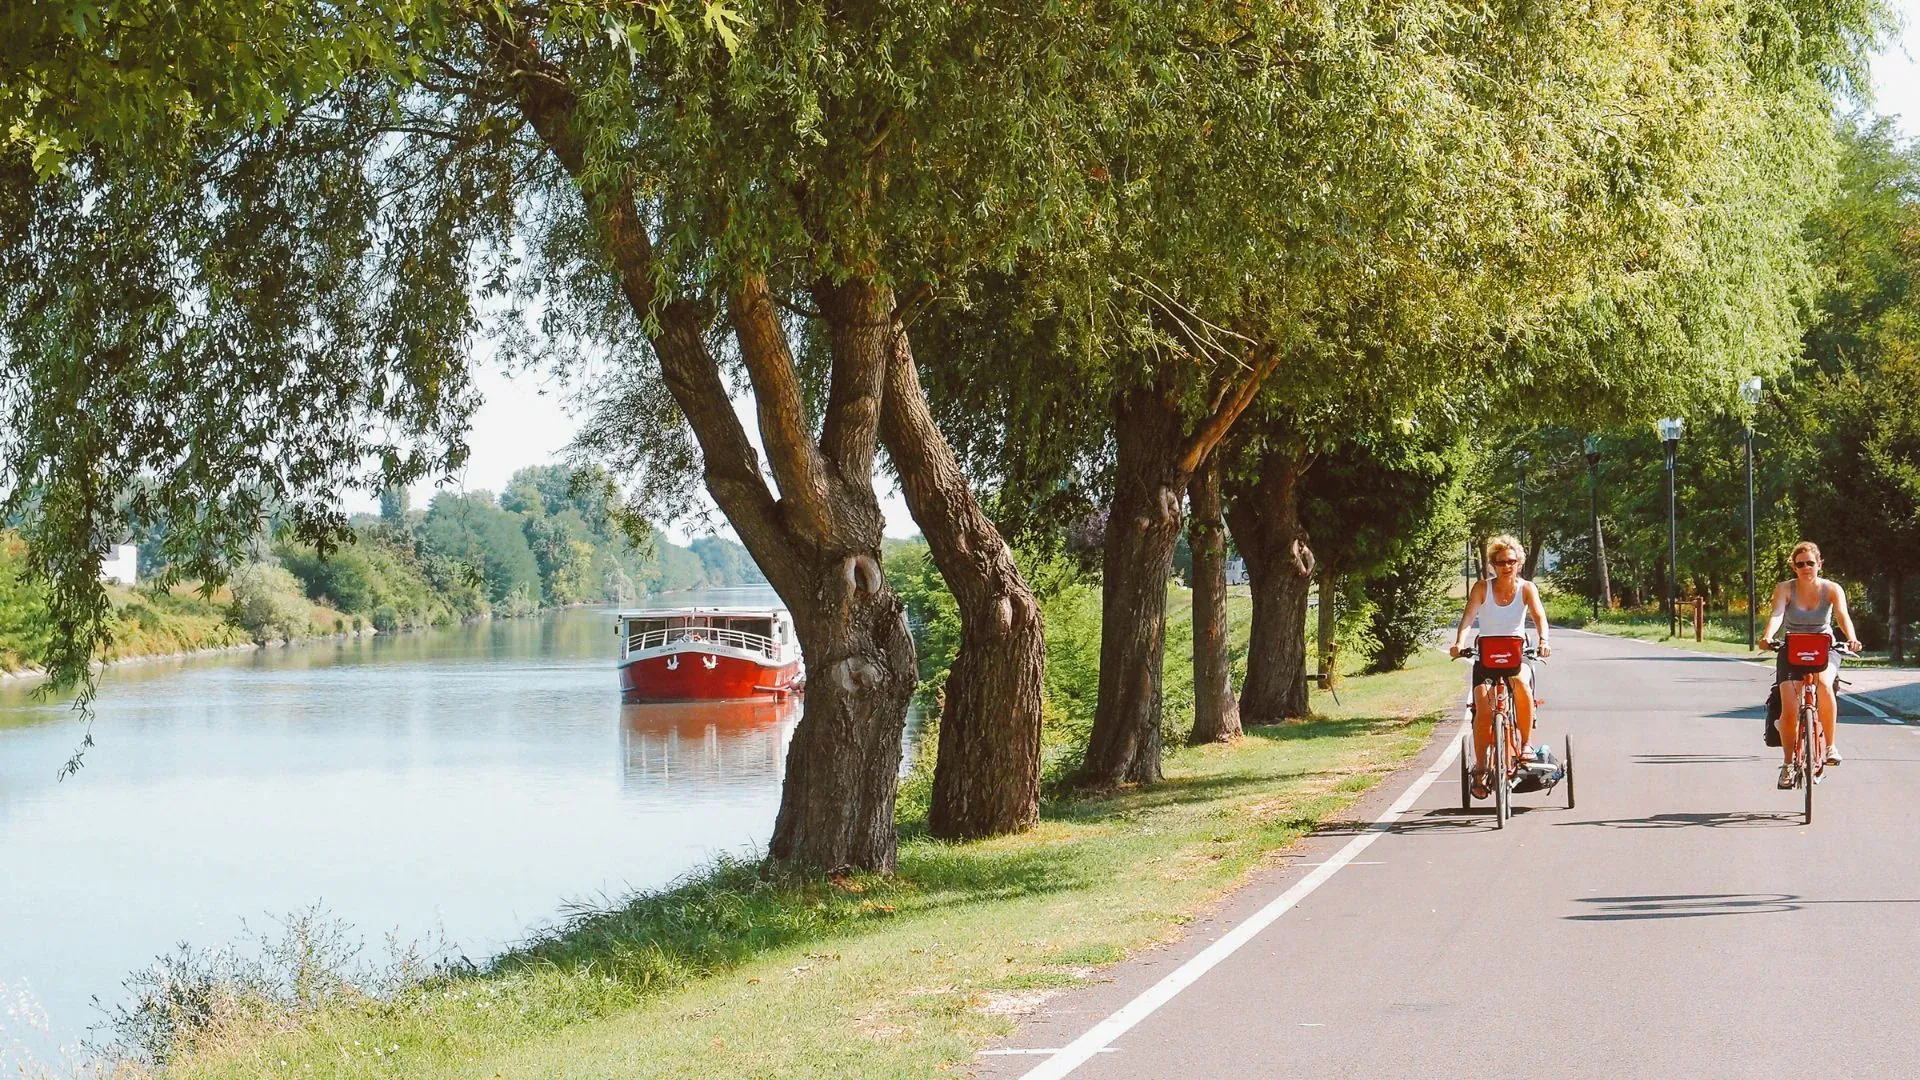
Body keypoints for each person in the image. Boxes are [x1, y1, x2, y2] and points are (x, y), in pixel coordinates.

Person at [1449, 534, 1552, 798]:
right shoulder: (1482, 588)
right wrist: (1459, 642)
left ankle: (1526, 745)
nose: (1507, 566)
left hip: (1518, 650)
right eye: (1501, 561)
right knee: (1483, 708)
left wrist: (1544, 641)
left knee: (1520, 684)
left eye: (1512, 561)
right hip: (1487, 653)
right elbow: (1469, 617)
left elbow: (1539, 616)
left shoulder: (1527, 588)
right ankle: (1482, 768)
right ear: (1493, 564)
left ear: (1519, 563)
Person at [1760, 541, 1862, 789]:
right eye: (1800, 564)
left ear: (1820, 564)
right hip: (1792, 646)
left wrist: (1851, 638)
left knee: (1825, 685)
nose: (1806, 568)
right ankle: (1787, 764)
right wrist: (1767, 636)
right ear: (1794, 567)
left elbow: (1842, 614)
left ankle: (1830, 746)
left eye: (1810, 563)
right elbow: (1777, 614)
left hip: (1824, 646)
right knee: (1790, 708)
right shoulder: (1785, 588)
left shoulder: (1831, 588)